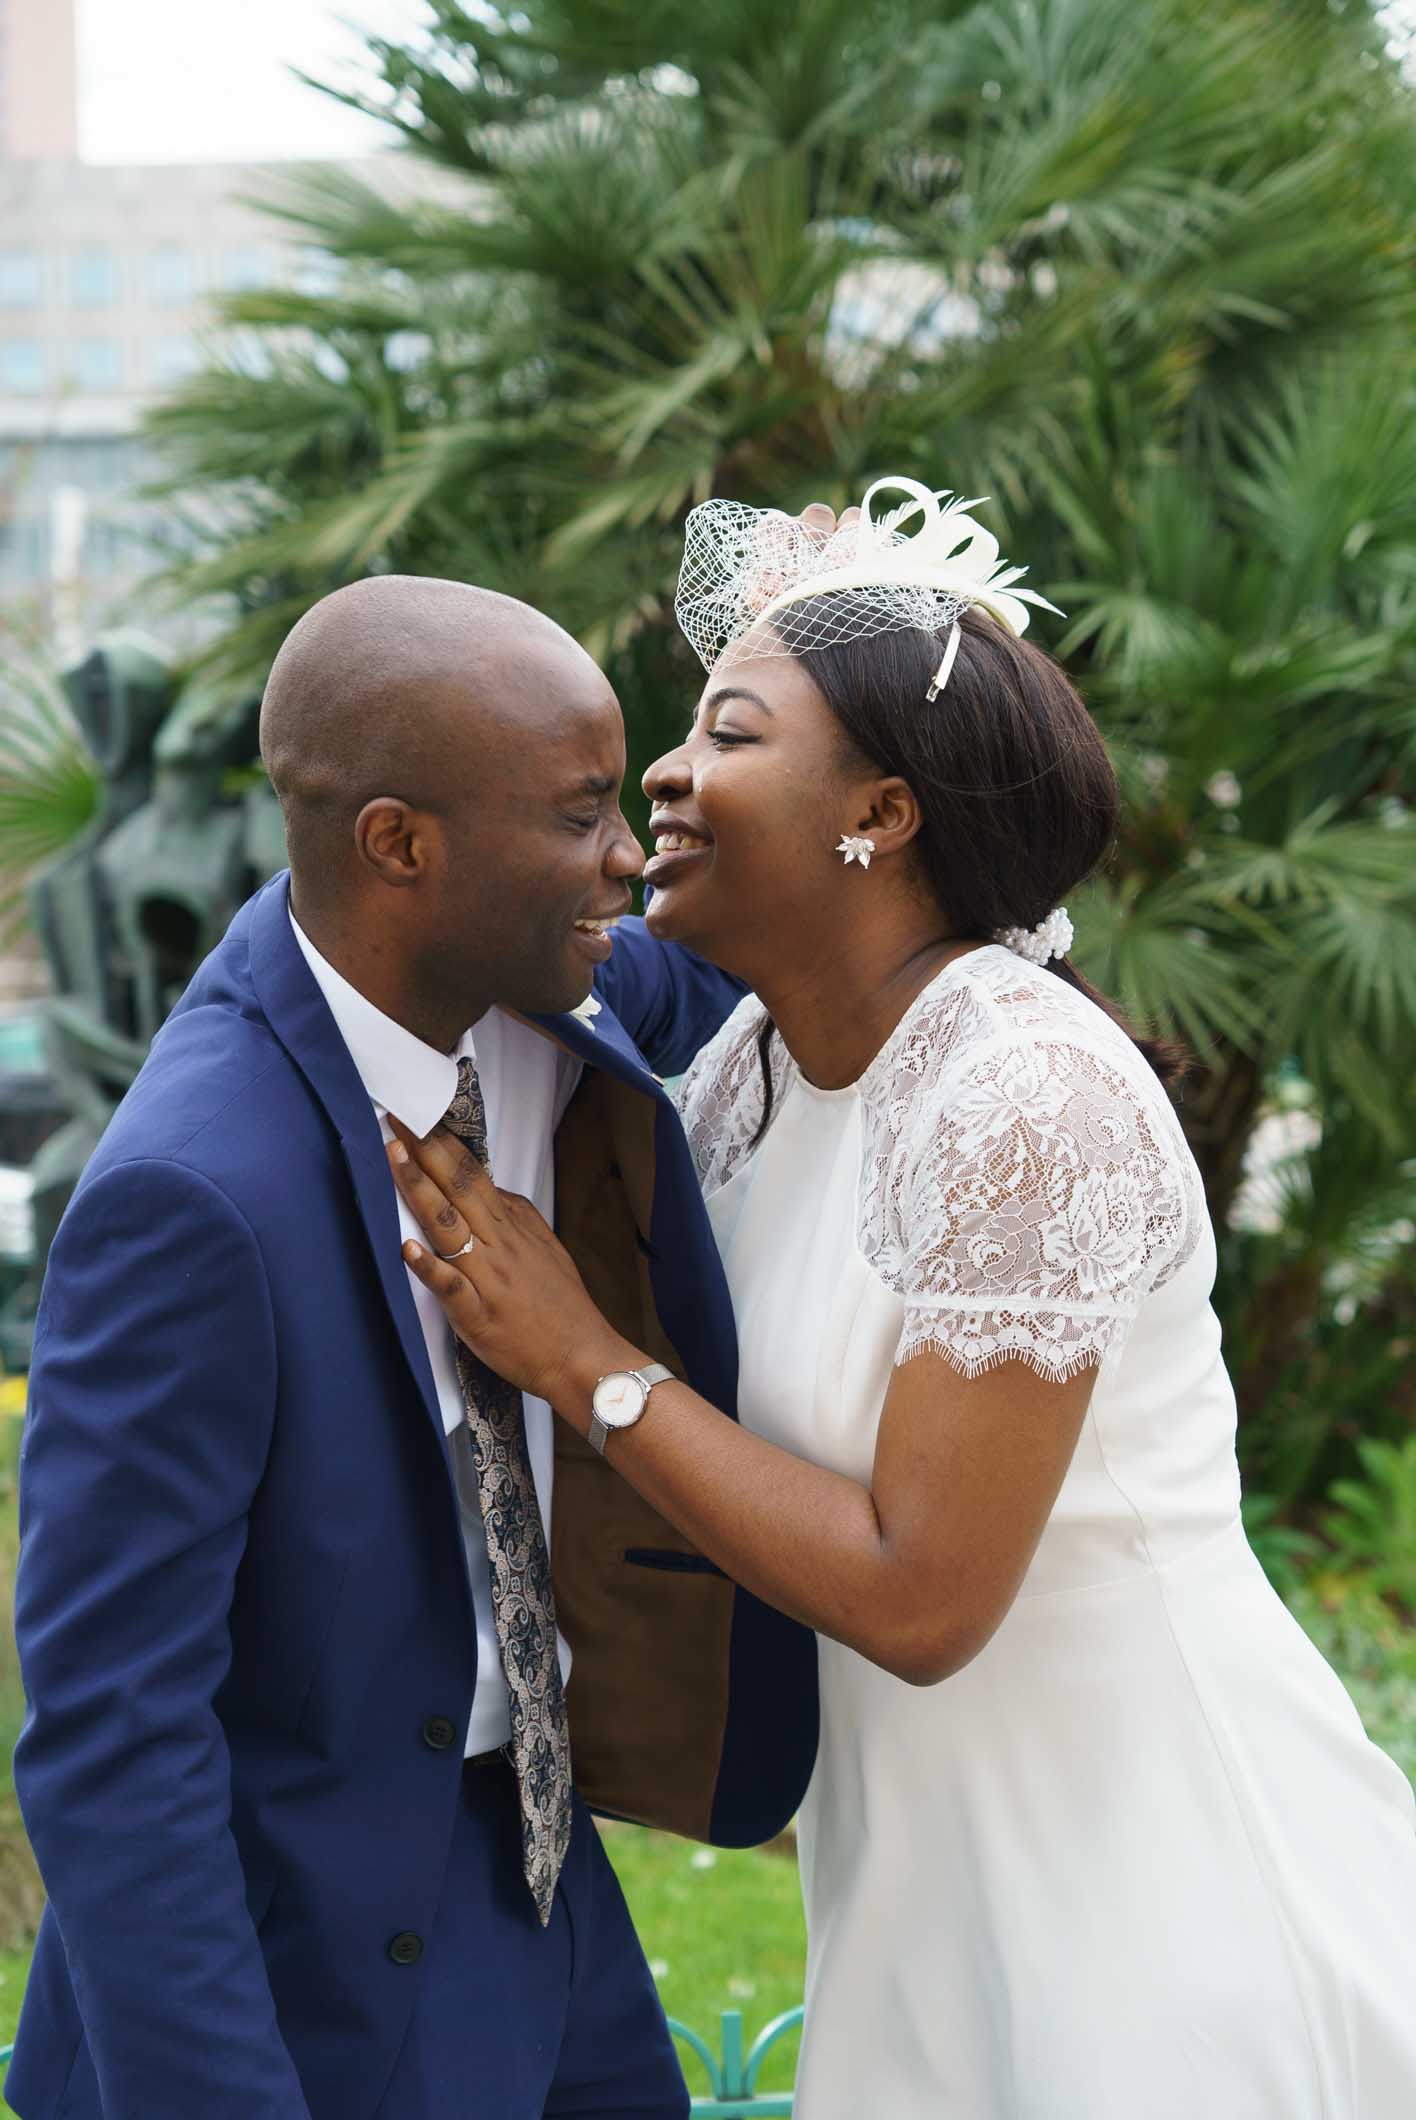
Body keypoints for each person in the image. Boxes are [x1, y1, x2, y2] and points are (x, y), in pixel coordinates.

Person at [388, 480, 1416, 2120]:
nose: (665, 770)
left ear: (880, 809)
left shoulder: (1024, 1097)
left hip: (1155, 1897)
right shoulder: (752, 1075)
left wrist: (584, 1356)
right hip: (910, 1887)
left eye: (729, 732)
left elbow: (924, 1596)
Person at [8, 573, 817, 2120]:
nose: (626, 861)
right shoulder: (192, 1196)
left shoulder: (541, 993)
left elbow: (745, 950)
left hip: (537, 1883)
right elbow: (115, 1738)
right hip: (296, 1973)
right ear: (399, 845)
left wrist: (864, 649)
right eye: (585, 815)